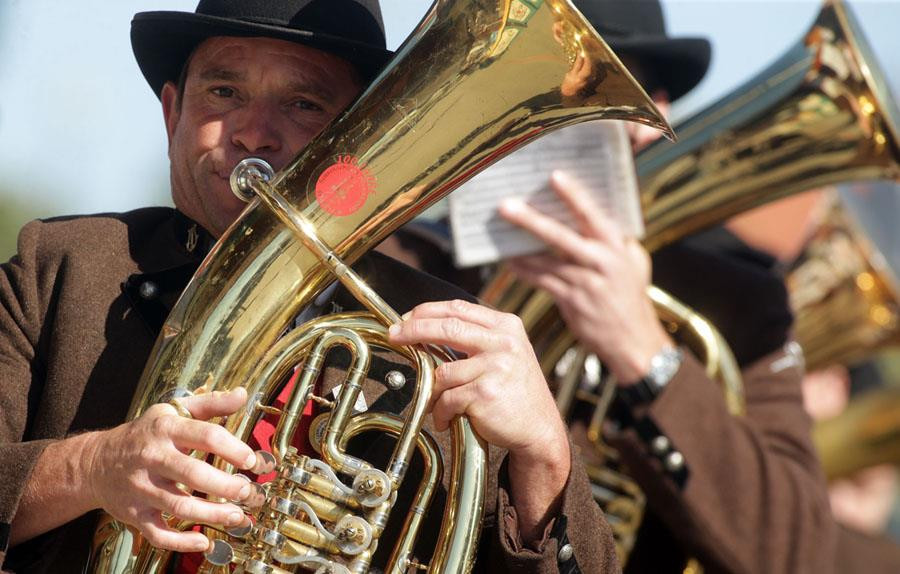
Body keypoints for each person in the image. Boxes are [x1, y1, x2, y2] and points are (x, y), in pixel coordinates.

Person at [0, 2, 618, 573]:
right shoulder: (58, 267)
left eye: (303, 104)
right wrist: (94, 466)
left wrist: (546, 460)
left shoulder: (450, 339)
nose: (253, 133)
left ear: (364, 142)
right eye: (224, 91)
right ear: (172, 114)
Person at [382, 1, 836, 572]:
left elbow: (800, 554)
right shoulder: (400, 259)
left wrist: (644, 353)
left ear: (651, 119)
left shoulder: (737, 302)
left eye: (594, 95)